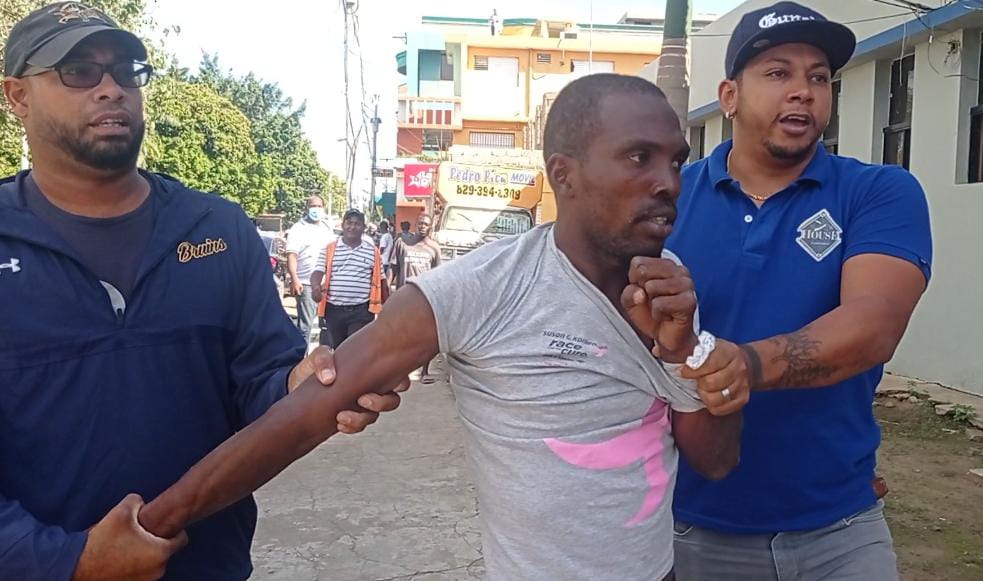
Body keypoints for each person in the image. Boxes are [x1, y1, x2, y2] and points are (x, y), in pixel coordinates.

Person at [137, 74, 744, 581]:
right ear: (563, 174)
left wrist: (684, 349)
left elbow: (715, 463)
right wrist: (150, 528)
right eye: (639, 157)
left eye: (675, 161)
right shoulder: (479, 289)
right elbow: (299, 420)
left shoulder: (670, 283)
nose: (667, 181)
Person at [0, 4, 400, 579]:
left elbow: (261, 381)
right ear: (17, 96)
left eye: (126, 70)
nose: (111, 88)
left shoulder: (216, 230)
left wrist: (305, 385)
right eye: (79, 71)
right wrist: (72, 561)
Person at [664, 3, 933, 580]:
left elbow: (875, 322)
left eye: (818, 77)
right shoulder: (666, 203)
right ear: (729, 95)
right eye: (778, 73)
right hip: (689, 530)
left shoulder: (878, 192)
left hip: (840, 534)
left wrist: (746, 365)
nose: (804, 92)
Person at [311, 209, 389, 349]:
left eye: (357, 224)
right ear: (343, 225)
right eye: (349, 223)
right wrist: (315, 286)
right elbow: (318, 270)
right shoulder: (330, 249)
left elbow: (381, 279)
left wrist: (388, 306)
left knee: (355, 349)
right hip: (333, 310)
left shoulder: (372, 251)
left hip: (362, 311)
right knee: (335, 349)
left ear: (364, 228)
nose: (352, 227)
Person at [393, 212, 442, 382]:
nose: (422, 226)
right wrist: (387, 289)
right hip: (403, 296)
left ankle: (424, 372)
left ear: (430, 227)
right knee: (400, 337)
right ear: (415, 224)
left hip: (424, 298)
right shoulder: (402, 243)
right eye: (420, 223)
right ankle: (399, 372)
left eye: (426, 224)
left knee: (425, 337)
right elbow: (394, 267)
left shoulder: (434, 248)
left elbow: (437, 274)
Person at [286, 195, 335, 343]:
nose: (317, 210)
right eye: (313, 206)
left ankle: (324, 359)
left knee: (327, 325)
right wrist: (295, 279)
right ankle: (302, 362)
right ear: (306, 209)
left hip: (326, 284)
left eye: (320, 206)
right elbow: (292, 255)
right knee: (305, 326)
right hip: (306, 284)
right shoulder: (298, 229)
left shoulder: (327, 228)